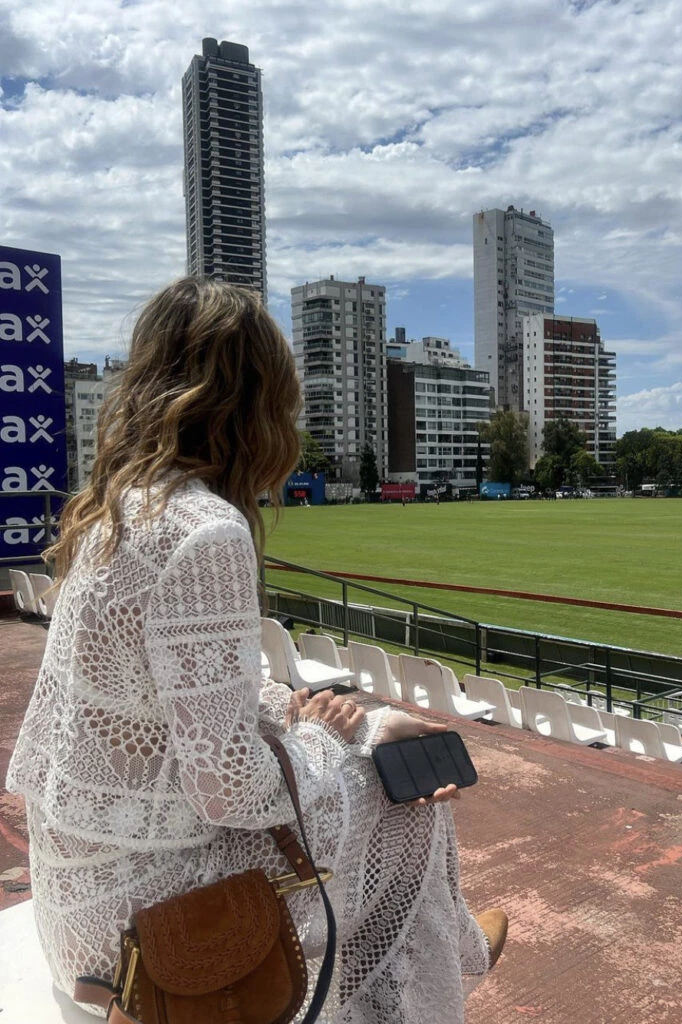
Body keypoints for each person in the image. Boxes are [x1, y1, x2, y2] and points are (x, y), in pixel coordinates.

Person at [6, 277, 505, 1023]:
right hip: (145, 931)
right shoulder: (204, 531)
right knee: (407, 799)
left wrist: (352, 721)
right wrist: (327, 736)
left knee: (373, 759)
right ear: (259, 404)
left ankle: (438, 950)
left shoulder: (115, 508)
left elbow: (184, 690)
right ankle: (412, 989)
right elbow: (230, 792)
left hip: (80, 898)